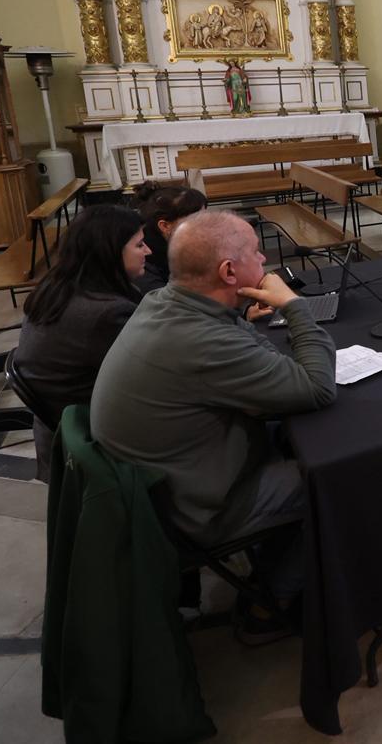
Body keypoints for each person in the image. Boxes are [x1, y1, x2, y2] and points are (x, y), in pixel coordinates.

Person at [92, 211, 336, 640]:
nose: (264, 261)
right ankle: (271, 603)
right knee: (341, 475)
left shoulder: (164, 301)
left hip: (169, 484)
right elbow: (317, 389)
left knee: (302, 441)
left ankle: (281, 558)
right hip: (198, 509)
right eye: (257, 254)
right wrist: (296, 308)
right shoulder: (200, 340)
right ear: (228, 271)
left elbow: (243, 346)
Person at [14, 205, 149, 480]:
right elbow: (155, 371)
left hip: (56, 431)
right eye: (139, 245)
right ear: (111, 252)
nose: (148, 251)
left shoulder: (56, 286)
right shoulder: (105, 312)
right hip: (89, 440)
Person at [132, 182, 207, 293]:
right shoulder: (143, 265)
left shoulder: (183, 246)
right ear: (165, 226)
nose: (205, 226)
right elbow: (169, 304)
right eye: (196, 220)